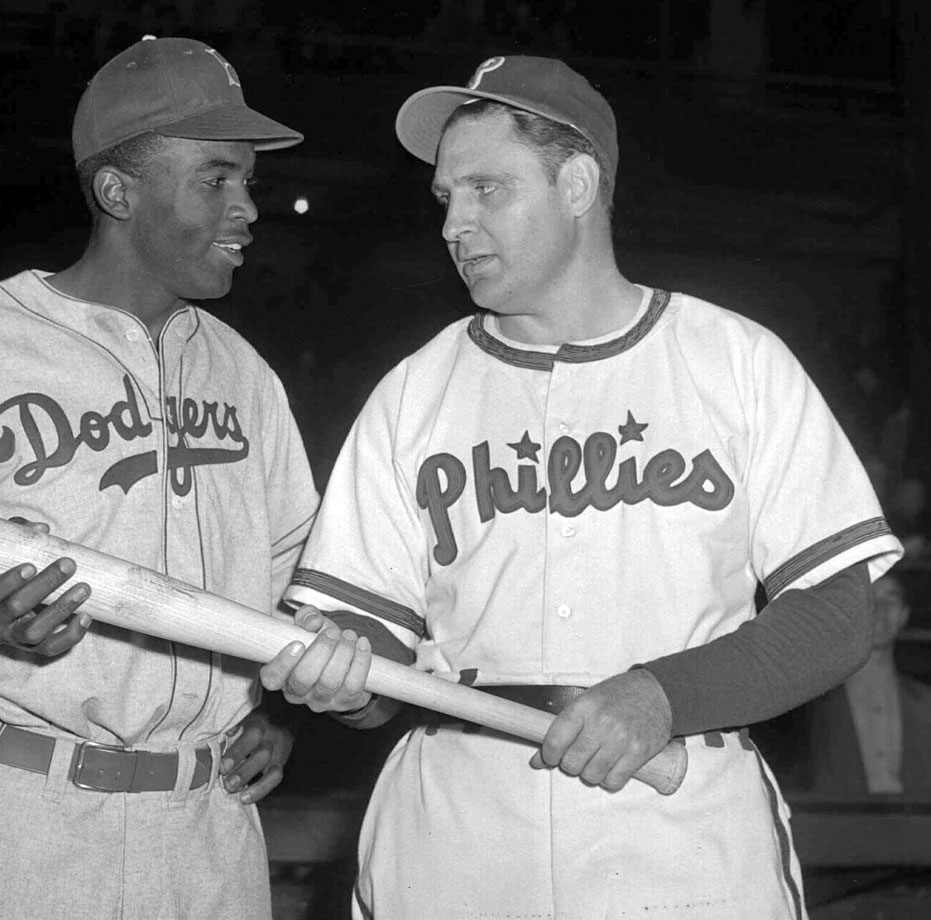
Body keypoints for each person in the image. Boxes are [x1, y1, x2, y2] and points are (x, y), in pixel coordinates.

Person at [259, 55, 904, 919]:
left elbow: (836, 615)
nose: (453, 223)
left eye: (487, 189)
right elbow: (369, 646)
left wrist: (665, 694)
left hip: (679, 817)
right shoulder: (414, 390)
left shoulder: (733, 361)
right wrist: (344, 677)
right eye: (445, 197)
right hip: (460, 826)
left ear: (576, 184)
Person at [0, 36, 318, 920]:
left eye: (249, 180)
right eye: (216, 179)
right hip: (7, 817)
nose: (247, 208)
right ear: (118, 192)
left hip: (202, 829)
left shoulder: (245, 376)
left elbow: (291, 597)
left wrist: (273, 713)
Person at [807, 572, 931, 795]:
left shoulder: (925, 703)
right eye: (869, 599)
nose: (880, 610)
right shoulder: (813, 702)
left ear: (903, 615)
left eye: (890, 601)